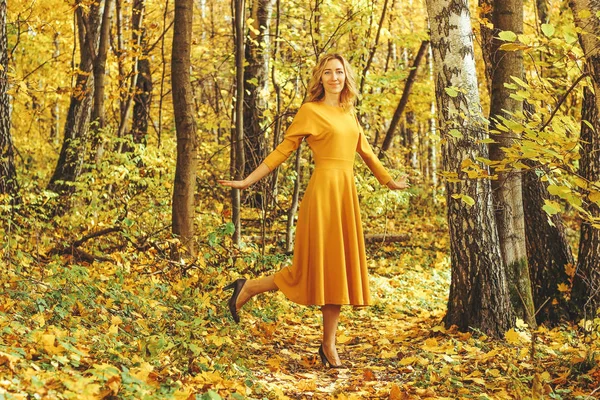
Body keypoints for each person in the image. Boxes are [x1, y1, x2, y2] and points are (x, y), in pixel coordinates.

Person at [218, 53, 409, 368]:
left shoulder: (349, 113)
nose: (334, 77)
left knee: (338, 272)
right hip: (321, 196)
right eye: (328, 73)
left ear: (346, 77)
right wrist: (247, 181)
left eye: (339, 72)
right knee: (308, 269)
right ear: (320, 79)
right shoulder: (310, 111)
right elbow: (283, 149)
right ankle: (249, 287)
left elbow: (366, 152)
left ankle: (328, 345)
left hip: (345, 196)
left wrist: (389, 182)